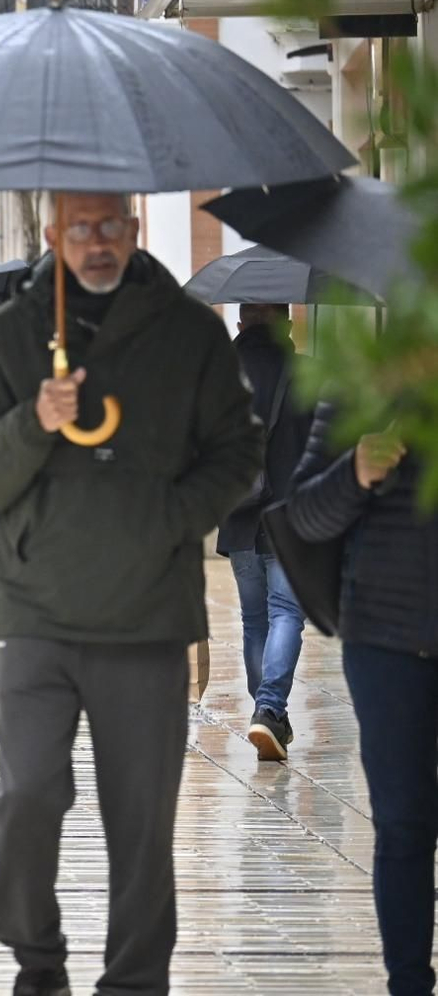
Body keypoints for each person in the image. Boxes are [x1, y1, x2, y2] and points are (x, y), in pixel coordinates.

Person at [0, 191, 261, 996]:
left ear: (135, 227)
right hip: (35, 609)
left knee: (144, 821)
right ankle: (37, 960)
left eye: (112, 224)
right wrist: (34, 420)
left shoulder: (187, 333)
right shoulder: (10, 335)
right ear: (54, 233)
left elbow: (237, 451)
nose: (99, 241)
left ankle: (134, 981)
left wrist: (170, 517)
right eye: (81, 226)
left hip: (148, 612)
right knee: (28, 794)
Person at [290, 409, 432, 996]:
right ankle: (409, 985)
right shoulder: (366, 384)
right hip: (387, 642)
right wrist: (356, 470)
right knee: (404, 824)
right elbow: (304, 514)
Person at [215, 303, 314, 761]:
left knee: (255, 619)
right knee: (287, 613)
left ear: (240, 324)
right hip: (291, 515)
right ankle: (269, 708)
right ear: (288, 324)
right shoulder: (308, 374)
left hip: (237, 513)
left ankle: (267, 712)